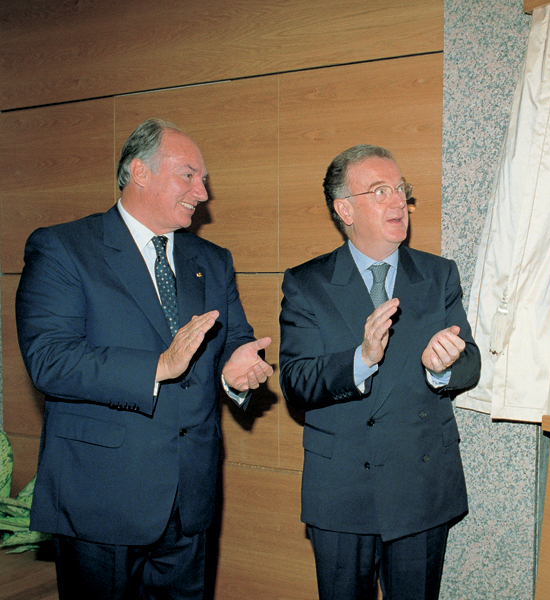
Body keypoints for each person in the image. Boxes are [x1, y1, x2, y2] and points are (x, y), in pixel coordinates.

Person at [15, 118, 274, 599]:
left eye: (204, 180)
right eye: (189, 175)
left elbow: (234, 341)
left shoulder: (211, 259)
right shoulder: (64, 248)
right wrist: (158, 367)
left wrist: (237, 372)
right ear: (140, 172)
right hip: (101, 498)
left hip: (190, 501)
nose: (202, 192)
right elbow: (49, 359)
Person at [279, 144, 481, 600]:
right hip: (343, 490)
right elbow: (295, 382)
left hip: (420, 484)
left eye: (401, 190)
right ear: (344, 209)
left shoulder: (438, 274)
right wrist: (361, 359)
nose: (398, 202)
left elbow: (471, 360)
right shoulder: (307, 283)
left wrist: (442, 368)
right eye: (380, 191)